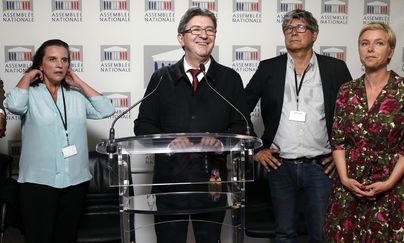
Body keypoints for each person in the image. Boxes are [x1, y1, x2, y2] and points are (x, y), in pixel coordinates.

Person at [134, 7, 250, 243]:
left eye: (210, 30)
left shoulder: (229, 78)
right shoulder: (162, 78)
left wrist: (220, 140)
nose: (204, 35)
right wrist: (168, 141)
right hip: (170, 181)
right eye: (196, 29)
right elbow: (143, 125)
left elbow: (243, 125)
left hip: (213, 181)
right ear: (181, 38)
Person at [245, 9, 352, 242]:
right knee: (284, 234)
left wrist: (340, 155)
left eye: (300, 27)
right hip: (280, 167)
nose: (293, 32)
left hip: (321, 168)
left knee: (323, 234)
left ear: (314, 34)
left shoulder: (336, 69)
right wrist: (256, 150)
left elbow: (352, 117)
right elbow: (239, 111)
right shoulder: (268, 68)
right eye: (288, 29)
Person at [4, 39, 114, 243]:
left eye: (64, 60)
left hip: (75, 181)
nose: (59, 64)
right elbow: (14, 105)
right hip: (38, 183)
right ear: (41, 64)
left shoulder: (75, 96)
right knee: (39, 238)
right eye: (52, 59)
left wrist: (79, 82)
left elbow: (106, 109)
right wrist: (28, 76)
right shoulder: (31, 94)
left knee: (66, 238)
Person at [323, 22, 404, 242]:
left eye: (379, 43)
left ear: (390, 51)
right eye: (364, 43)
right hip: (350, 185)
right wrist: (344, 178)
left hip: (392, 185)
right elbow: (338, 140)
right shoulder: (346, 90)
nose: (370, 49)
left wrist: (388, 183)